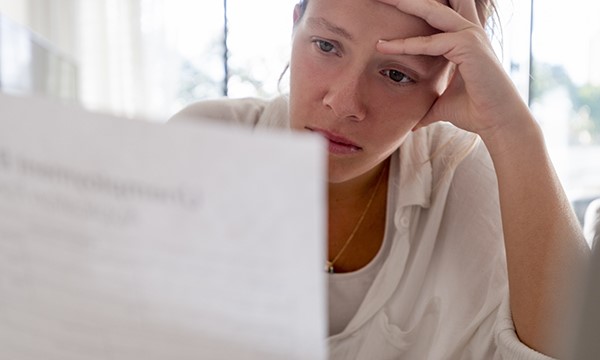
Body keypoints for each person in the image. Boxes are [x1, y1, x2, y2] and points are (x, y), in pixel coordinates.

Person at [170, 0, 590, 358]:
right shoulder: (203, 145)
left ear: (448, 81)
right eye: (327, 46)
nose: (344, 103)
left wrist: (512, 129)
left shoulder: (464, 176)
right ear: (295, 23)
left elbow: (578, 347)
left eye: (396, 74)